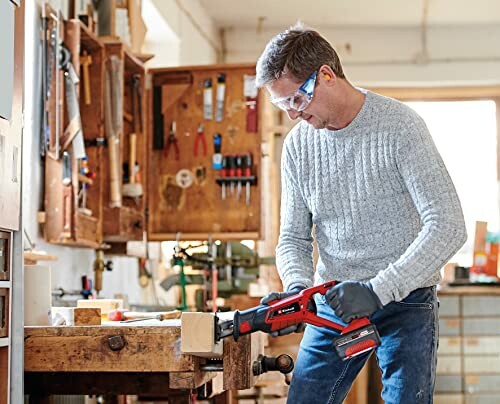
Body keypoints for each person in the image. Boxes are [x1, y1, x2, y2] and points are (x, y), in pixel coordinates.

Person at [255, 23, 467, 404]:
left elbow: (448, 224)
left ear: (326, 75)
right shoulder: (298, 147)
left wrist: (377, 291)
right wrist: (298, 289)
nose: (291, 115)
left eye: (297, 101)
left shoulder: (401, 127)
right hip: (334, 302)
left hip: (406, 299)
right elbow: (293, 237)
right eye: (281, 105)